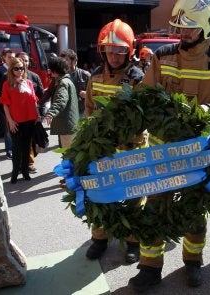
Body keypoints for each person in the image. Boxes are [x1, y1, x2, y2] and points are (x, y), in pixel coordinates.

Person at [129, 0, 210, 291]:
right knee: (154, 208)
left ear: (205, 27)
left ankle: (192, 262)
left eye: (189, 28)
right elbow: (145, 98)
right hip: (162, 151)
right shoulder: (162, 56)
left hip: (198, 154)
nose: (182, 33)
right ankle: (149, 267)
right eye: (179, 27)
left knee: (194, 209)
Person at [83, 18, 144, 265]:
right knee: (100, 192)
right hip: (102, 148)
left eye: (120, 51)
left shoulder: (137, 78)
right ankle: (99, 238)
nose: (115, 56)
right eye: (111, 50)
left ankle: (132, 242)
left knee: (133, 196)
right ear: (103, 51)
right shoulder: (95, 77)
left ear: (129, 51)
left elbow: (142, 116)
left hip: (131, 148)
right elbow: (88, 109)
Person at [0, 57, 39, 183]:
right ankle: (15, 173)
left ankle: (26, 172)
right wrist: (10, 121)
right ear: (11, 70)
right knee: (16, 148)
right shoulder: (7, 84)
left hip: (29, 119)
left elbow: (34, 101)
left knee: (27, 147)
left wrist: (38, 115)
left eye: (22, 68)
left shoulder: (29, 83)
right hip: (15, 121)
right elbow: (5, 104)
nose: (20, 71)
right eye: (16, 68)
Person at [15, 52, 44, 174]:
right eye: (22, 61)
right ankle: (23, 164)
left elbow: (41, 96)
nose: (24, 63)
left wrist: (40, 114)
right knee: (18, 142)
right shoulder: (8, 78)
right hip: (16, 116)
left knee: (31, 141)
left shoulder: (34, 77)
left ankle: (29, 163)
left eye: (26, 61)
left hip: (31, 116)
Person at [43, 57, 79, 148]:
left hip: (66, 126)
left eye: (50, 69)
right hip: (68, 124)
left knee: (68, 154)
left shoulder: (63, 83)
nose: (49, 71)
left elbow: (61, 100)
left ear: (54, 70)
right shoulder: (62, 80)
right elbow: (50, 93)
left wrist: (50, 113)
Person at [0, 48, 15, 159]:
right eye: (9, 57)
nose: (11, 59)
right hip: (4, 104)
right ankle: (9, 150)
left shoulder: (16, 69)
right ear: (3, 58)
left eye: (13, 57)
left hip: (16, 104)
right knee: (8, 127)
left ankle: (16, 147)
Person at [59, 49, 91, 118]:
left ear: (74, 61)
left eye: (67, 60)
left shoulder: (85, 74)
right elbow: (50, 91)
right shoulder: (60, 76)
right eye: (63, 60)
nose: (64, 62)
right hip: (66, 112)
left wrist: (87, 94)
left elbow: (96, 93)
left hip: (82, 111)